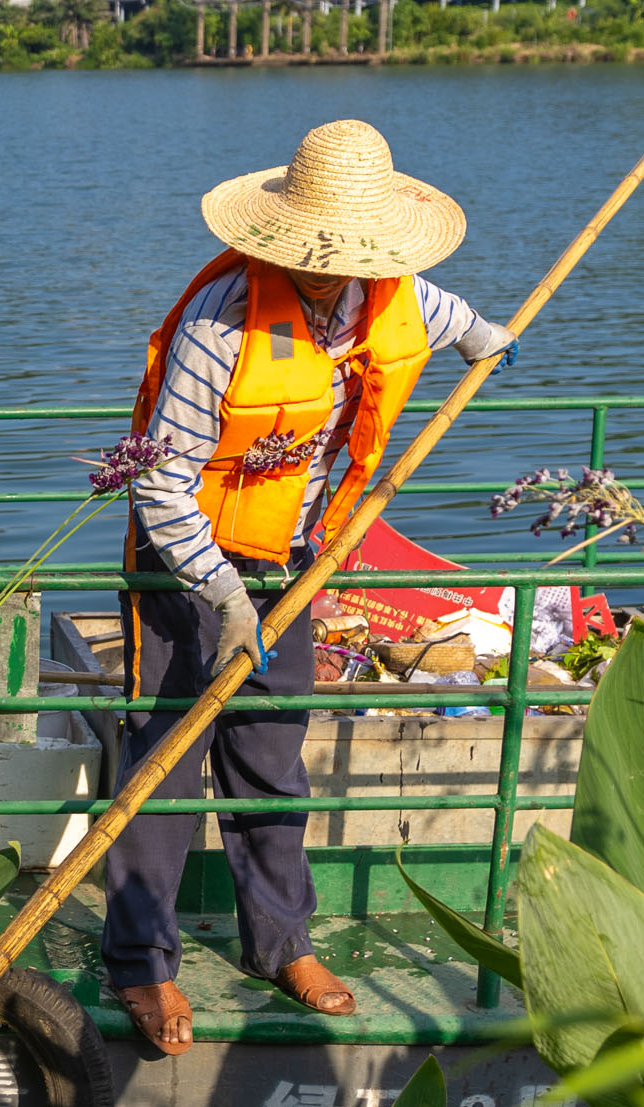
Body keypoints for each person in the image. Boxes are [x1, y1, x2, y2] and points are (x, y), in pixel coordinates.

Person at [105, 119, 512, 1056]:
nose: (340, 274)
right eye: (325, 258)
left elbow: (444, 319)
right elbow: (159, 480)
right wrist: (222, 594)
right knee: (163, 760)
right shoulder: (221, 321)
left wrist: (491, 338)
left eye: (360, 259)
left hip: (294, 561)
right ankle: (141, 962)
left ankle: (281, 943)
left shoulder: (387, 292)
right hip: (185, 562)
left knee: (271, 756)